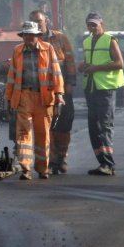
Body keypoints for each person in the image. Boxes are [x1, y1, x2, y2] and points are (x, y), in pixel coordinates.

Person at [4, 21, 65, 180]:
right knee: (23, 135)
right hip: (24, 97)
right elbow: (11, 77)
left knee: (42, 134)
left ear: (37, 36)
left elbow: (56, 73)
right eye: (26, 35)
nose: (29, 38)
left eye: (32, 35)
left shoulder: (48, 49)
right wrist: (9, 98)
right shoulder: (17, 51)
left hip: (44, 98)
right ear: (22, 36)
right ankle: (26, 169)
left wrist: (59, 95)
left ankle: (42, 169)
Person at [29, 10, 76, 175]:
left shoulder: (60, 38)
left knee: (64, 124)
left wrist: (70, 84)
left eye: (39, 21)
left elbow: (70, 61)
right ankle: (50, 160)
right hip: (41, 91)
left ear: (46, 21)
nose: (37, 24)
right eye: (33, 22)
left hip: (61, 89)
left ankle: (62, 158)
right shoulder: (30, 40)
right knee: (46, 127)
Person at [78, 12, 124, 176]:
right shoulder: (86, 41)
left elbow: (120, 63)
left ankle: (109, 163)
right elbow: (90, 61)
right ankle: (102, 163)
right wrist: (83, 65)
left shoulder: (110, 40)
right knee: (93, 127)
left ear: (101, 24)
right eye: (89, 25)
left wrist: (96, 68)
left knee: (105, 126)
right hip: (91, 87)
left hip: (105, 89)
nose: (92, 28)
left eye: (94, 25)